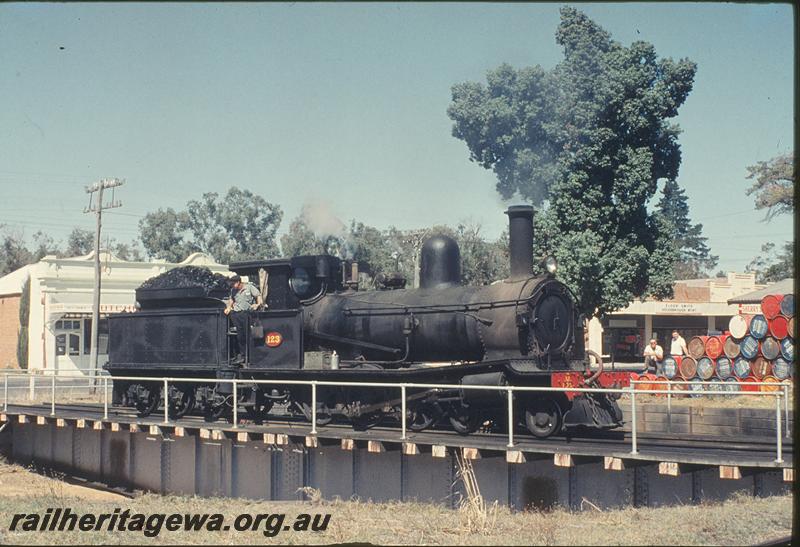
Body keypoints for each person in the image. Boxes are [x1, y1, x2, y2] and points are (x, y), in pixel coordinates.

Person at [224, 274, 263, 363]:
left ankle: (251, 355)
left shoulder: (249, 287)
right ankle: (242, 355)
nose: (232, 285)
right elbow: (231, 300)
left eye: (233, 283)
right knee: (240, 335)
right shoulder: (233, 290)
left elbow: (258, 296)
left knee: (248, 335)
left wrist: (257, 304)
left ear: (238, 282)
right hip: (237, 314)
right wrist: (229, 307)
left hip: (247, 314)